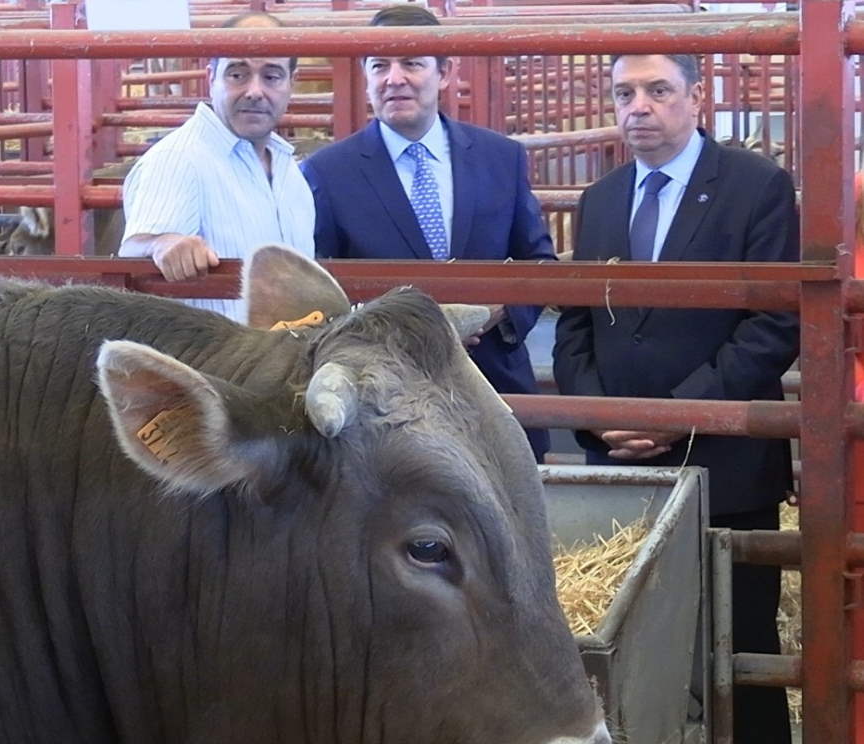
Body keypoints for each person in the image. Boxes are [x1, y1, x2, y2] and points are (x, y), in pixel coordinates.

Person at [552, 53, 797, 744]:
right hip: (623, 467)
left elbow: (776, 323)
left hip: (725, 462)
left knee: (739, 646)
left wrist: (678, 415)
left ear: (697, 100)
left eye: (658, 91)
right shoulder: (600, 199)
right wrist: (602, 420)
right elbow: (574, 325)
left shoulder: (757, 187)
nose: (639, 107)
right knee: (632, 644)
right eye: (625, 92)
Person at [300, 4, 556, 462]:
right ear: (365, 76)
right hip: (385, 406)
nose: (394, 78)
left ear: (445, 73)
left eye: (412, 63)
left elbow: (539, 262)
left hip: (495, 388)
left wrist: (498, 311)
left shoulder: (502, 158)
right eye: (379, 65)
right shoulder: (327, 173)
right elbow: (320, 293)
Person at [119, 11, 315, 321]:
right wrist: (161, 243)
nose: (254, 90)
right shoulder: (178, 158)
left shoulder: (290, 170)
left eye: (272, 75)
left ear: (292, 82)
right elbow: (136, 252)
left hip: (286, 360)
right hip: (217, 365)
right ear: (211, 78)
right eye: (237, 74)